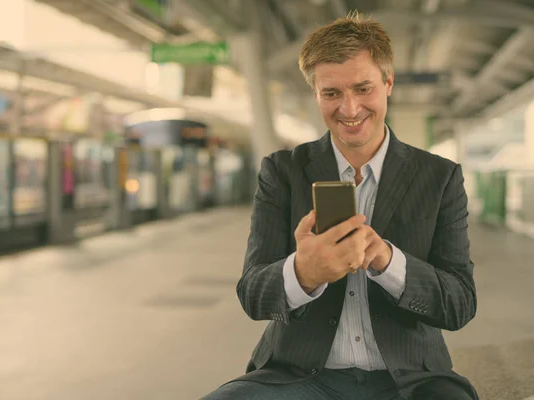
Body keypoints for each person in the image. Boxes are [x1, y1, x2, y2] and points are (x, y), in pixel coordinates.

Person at [202, 11, 478, 400]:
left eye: (363, 88)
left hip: (410, 380)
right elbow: (252, 293)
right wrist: (302, 273)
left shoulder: (439, 177)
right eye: (331, 93)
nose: (349, 109)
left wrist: (387, 261)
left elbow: (460, 303)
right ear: (316, 94)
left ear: (388, 82)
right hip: (299, 375)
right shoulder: (282, 172)